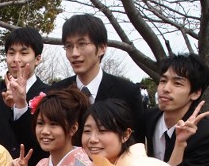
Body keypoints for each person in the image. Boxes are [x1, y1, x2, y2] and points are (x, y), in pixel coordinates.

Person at [51, 14, 145, 143]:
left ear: (102, 48)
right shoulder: (56, 92)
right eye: (69, 46)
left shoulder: (127, 92)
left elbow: (136, 143)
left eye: (82, 44)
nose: (74, 53)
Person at [0, 27, 49, 166]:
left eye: (24, 53)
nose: (16, 59)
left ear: (37, 59)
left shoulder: (50, 96)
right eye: (11, 53)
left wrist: (20, 106)